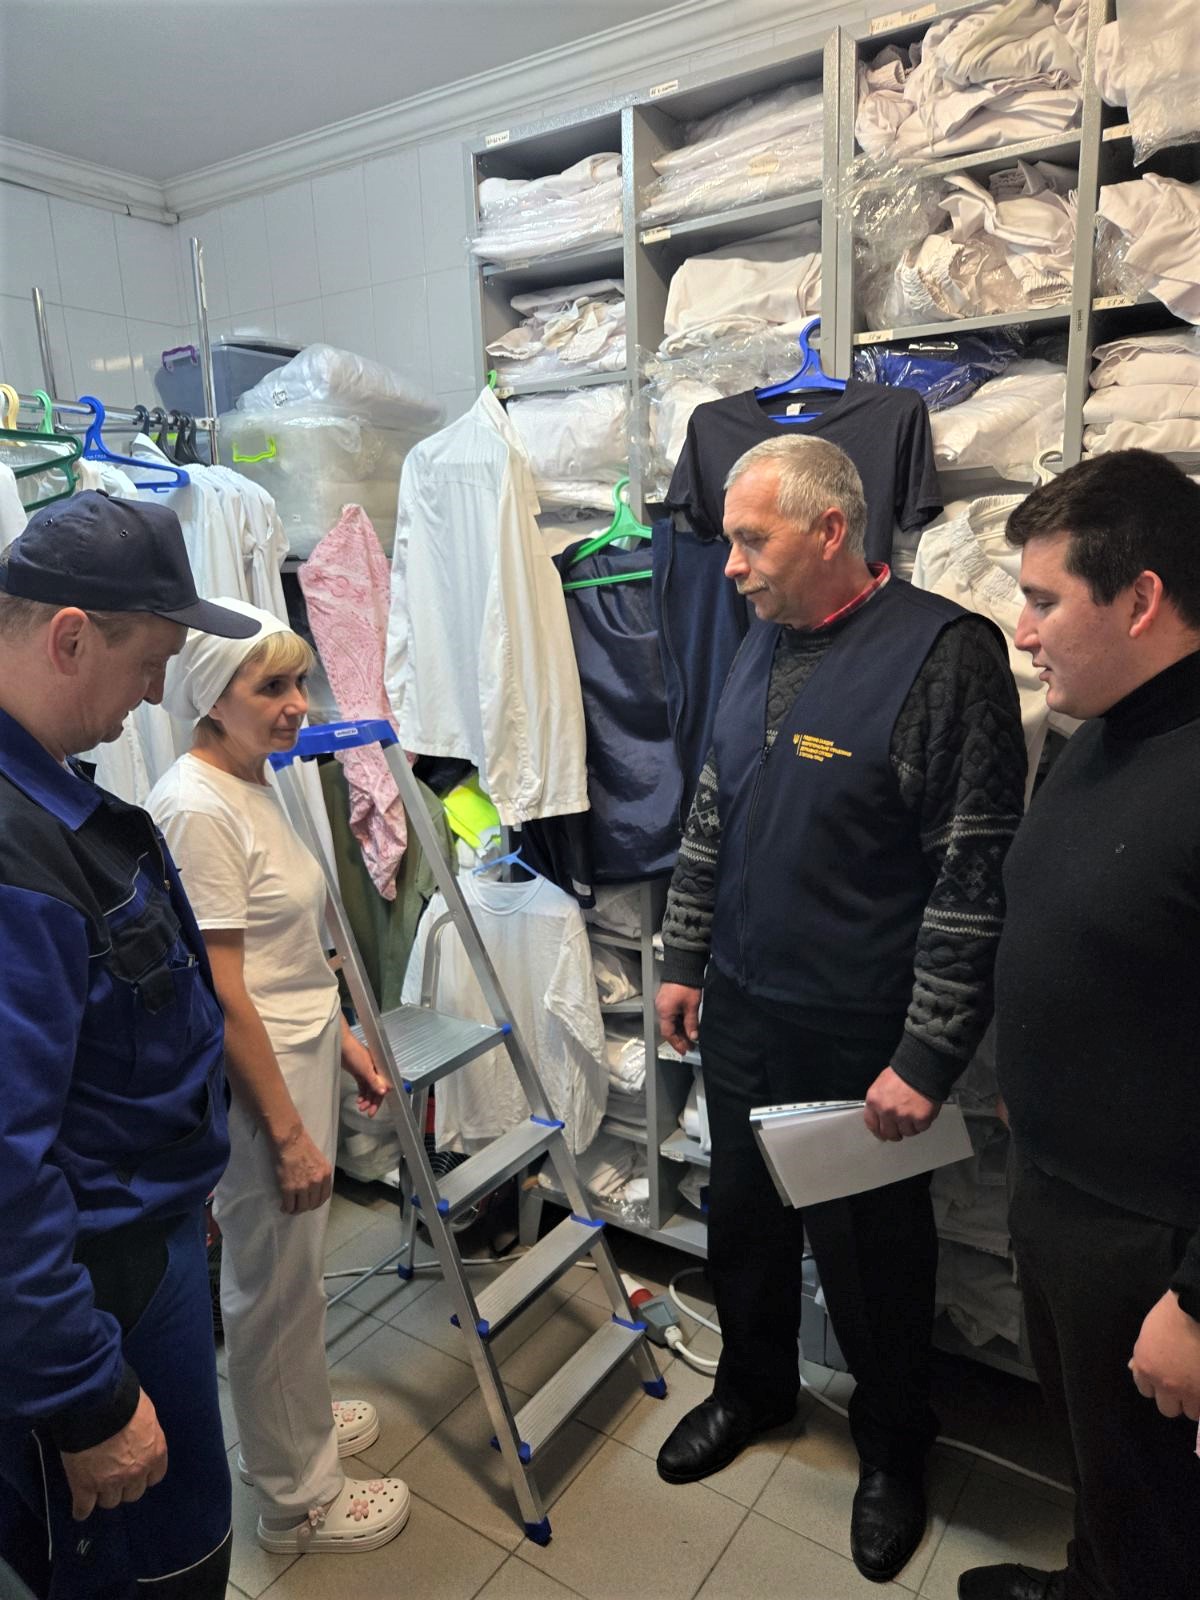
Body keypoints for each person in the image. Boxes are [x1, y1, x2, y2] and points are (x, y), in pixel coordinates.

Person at [654, 436, 1027, 1583]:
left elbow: (974, 872)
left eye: (751, 540)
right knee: (744, 1224)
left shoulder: (942, 655)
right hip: (743, 1008)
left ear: (830, 531)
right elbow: (714, 808)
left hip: (858, 1029)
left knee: (873, 1256)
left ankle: (895, 1448)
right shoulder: (758, 640)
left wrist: (928, 1052)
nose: (731, 566)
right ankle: (753, 1388)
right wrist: (682, 954)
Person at [0, 491, 263, 1597]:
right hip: (91, 1290)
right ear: (71, 637)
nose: (158, 694)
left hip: (136, 1249)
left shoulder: (54, 802)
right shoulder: (16, 856)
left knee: (181, 1539)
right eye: (149, 662)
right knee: (153, 1563)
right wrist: (87, 1398)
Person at [958, 450, 1200, 1600]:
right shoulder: (1096, 730)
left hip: (1150, 1239)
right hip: (1057, 1185)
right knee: (1098, 1472)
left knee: (1159, 1517)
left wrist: (1197, 1301)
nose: (1022, 631)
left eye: (1043, 600)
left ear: (1140, 598)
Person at [146, 599, 411, 1556]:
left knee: (295, 1279)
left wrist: (342, 1043)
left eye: (300, 681)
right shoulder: (196, 807)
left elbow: (283, 956)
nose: (299, 702)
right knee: (271, 1287)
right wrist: (290, 1133)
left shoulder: (253, 781)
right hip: (266, 1091)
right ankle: (300, 1498)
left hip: (299, 1060)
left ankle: (294, 1422)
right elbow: (223, 994)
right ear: (213, 698)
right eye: (273, 687)